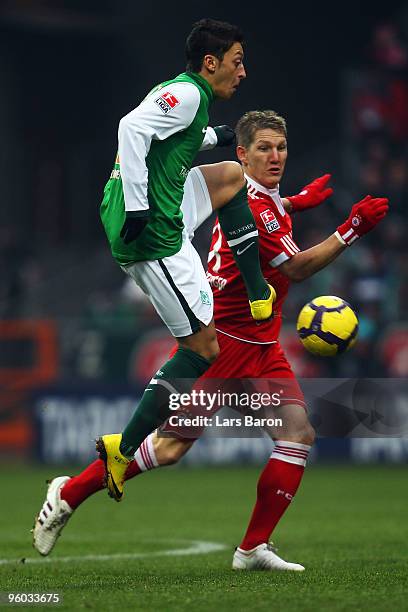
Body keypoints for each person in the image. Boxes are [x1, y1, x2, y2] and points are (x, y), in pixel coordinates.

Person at [33, 111, 389, 570]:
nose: (275, 156)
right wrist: (351, 228)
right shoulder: (255, 208)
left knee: (297, 435)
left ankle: (253, 548)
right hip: (225, 343)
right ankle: (68, 493)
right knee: (169, 448)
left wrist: (298, 201)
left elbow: (270, 210)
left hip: (263, 345)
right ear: (241, 154)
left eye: (280, 147)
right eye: (263, 148)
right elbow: (295, 267)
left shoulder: (258, 197)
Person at [96, 18, 276, 501]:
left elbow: (168, 140)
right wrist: (137, 207)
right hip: (151, 230)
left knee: (230, 176)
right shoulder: (191, 94)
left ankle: (256, 288)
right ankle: (124, 446)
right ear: (211, 63)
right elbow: (130, 127)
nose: (243, 72)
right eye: (237, 62)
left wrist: (214, 137)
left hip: (162, 204)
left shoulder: (187, 95)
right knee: (202, 349)